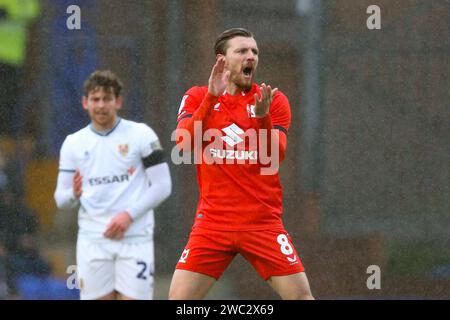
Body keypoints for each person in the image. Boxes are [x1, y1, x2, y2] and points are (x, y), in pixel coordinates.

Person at [169, 28, 314, 300]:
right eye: (242, 51)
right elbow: (184, 144)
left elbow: (274, 156)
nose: (251, 56)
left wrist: (262, 119)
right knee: (179, 301)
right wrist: (212, 98)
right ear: (221, 59)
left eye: (254, 52)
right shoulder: (197, 96)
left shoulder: (273, 100)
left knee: (301, 297)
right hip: (212, 224)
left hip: (262, 223)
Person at [54, 70, 172, 300]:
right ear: (84, 103)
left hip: (135, 239)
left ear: (118, 102)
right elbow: (61, 198)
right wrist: (74, 195)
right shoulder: (73, 144)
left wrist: (128, 215)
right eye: (95, 99)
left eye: (107, 98)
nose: (101, 105)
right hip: (93, 242)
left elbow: (162, 186)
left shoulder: (141, 135)